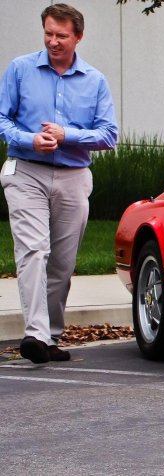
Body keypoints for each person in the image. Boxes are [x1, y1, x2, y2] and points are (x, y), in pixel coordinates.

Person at [0, 3, 118, 363]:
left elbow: (109, 134)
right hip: (26, 171)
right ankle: (35, 335)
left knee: (62, 264)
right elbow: (2, 119)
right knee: (34, 250)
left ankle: (49, 336)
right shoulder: (20, 69)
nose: (53, 41)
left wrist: (67, 135)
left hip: (74, 177)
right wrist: (27, 140)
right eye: (48, 33)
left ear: (78, 37)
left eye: (61, 35)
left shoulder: (95, 81)